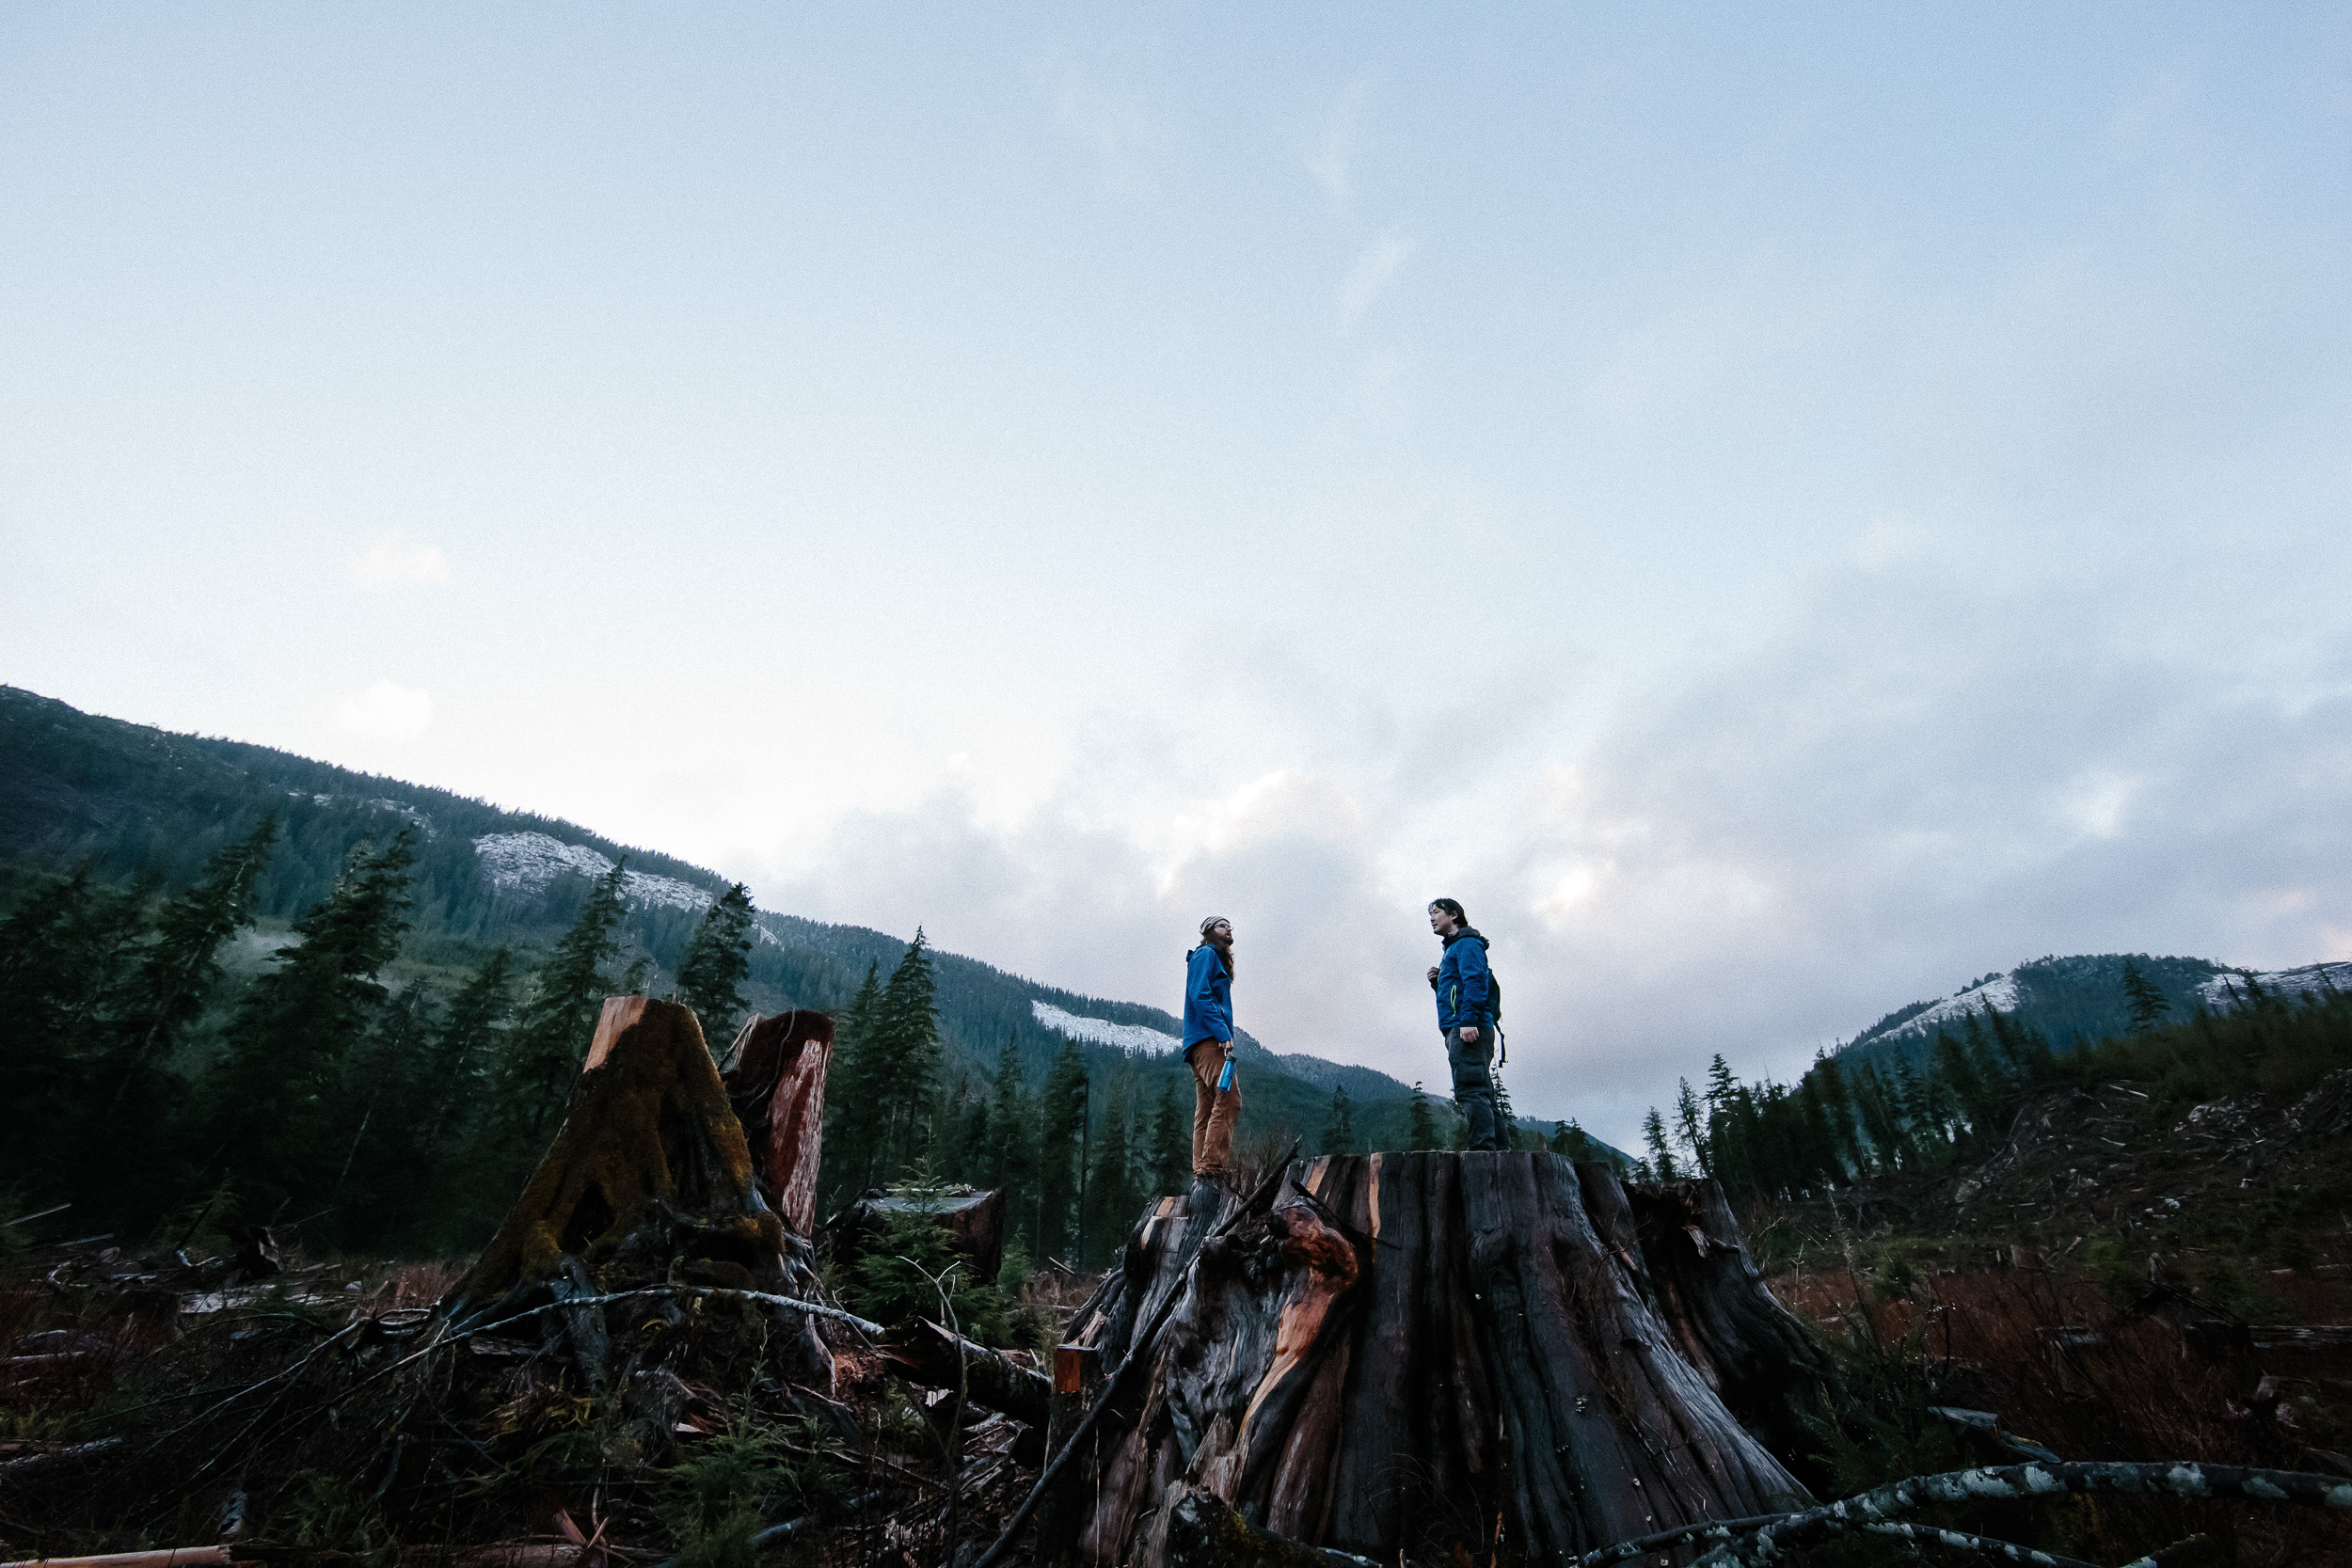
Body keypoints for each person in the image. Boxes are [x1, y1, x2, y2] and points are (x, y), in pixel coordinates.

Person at [1426, 897, 1501, 1152]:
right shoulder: (1452, 950)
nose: (1432, 918)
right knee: (1482, 1093)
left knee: (1470, 1090)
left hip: (1468, 1027)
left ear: (1454, 915)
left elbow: (1476, 982)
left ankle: (1484, 1151)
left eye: (1436, 912)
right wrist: (1439, 982)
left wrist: (1468, 1021)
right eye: (1430, 915)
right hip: (1461, 1025)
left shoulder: (1467, 944)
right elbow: (1457, 990)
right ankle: (1499, 1153)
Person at [1183, 915, 1241, 1175]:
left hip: (1199, 1041)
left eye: (1229, 926)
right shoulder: (1205, 954)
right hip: (1207, 1040)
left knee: (1206, 1107)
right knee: (1228, 1097)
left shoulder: (1210, 957)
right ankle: (1213, 1167)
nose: (1228, 929)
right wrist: (1221, 1031)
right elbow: (1200, 994)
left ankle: (1202, 1169)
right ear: (1208, 932)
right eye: (1222, 925)